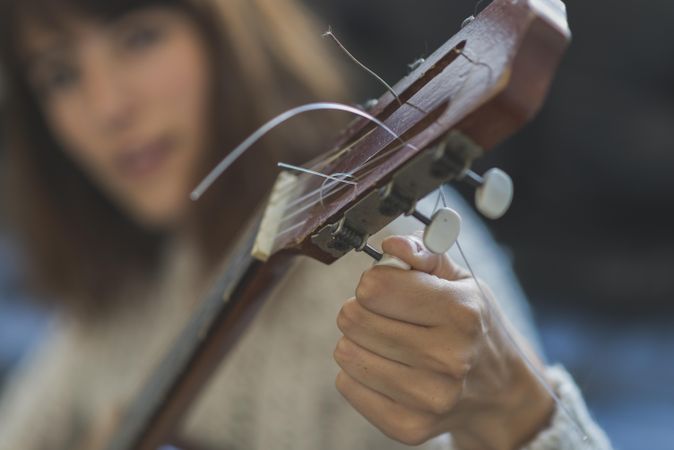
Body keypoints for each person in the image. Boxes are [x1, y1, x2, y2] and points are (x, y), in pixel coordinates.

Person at [0, 0, 612, 449]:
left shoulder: (388, 250)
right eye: (60, 75)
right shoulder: (125, 276)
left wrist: (512, 411)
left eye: (138, 37)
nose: (108, 107)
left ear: (231, 33)